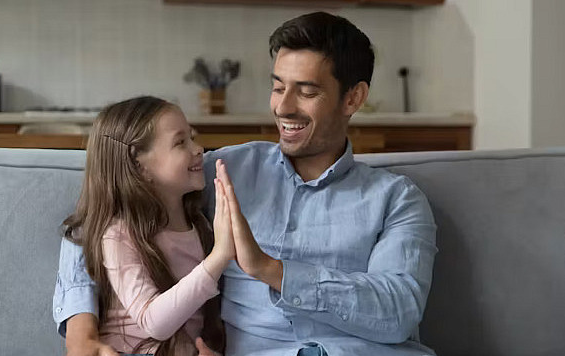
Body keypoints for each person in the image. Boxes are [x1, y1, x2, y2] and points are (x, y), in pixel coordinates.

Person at [54, 11, 438, 356]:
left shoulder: (397, 199)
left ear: (353, 98)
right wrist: (81, 328)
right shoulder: (224, 172)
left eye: (306, 91)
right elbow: (106, 210)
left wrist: (271, 269)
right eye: (277, 87)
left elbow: (400, 311)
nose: (284, 107)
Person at [56, 95, 238, 355]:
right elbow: (154, 323)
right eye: (180, 142)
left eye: (192, 137)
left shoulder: (202, 226)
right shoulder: (118, 234)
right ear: (139, 165)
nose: (198, 149)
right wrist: (219, 256)